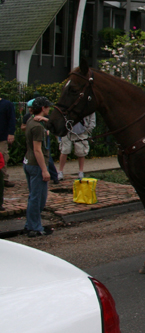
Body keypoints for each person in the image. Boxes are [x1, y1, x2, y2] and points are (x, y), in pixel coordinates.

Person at [24, 97, 54, 237]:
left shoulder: (32, 121)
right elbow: (37, 150)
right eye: (47, 107)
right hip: (36, 165)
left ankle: (31, 223)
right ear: (43, 108)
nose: (49, 109)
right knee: (37, 198)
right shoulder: (37, 127)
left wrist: (46, 121)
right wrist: (44, 169)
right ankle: (34, 227)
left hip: (29, 162)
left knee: (34, 196)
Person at [56, 113, 95, 180]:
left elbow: (92, 120)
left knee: (81, 152)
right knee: (64, 150)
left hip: (82, 131)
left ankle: (80, 172)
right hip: (67, 131)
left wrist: (88, 130)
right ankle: (60, 171)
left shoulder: (88, 105)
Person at [0, 94, 16, 198]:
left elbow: (11, 119)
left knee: (3, 157)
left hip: (2, 136)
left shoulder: (7, 104)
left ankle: (4, 178)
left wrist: (11, 133)